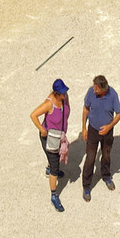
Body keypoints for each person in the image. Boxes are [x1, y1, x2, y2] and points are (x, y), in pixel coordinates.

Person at [79, 73, 120, 198]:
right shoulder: (91, 93)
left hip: (107, 133)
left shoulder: (113, 95)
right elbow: (86, 108)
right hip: (92, 130)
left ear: (103, 89)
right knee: (90, 157)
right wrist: (84, 128)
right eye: (93, 87)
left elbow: (119, 114)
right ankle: (86, 186)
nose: (93, 90)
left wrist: (109, 126)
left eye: (96, 88)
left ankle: (106, 176)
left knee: (106, 154)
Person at [31, 78, 71, 210]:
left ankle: (49, 168)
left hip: (59, 136)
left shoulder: (65, 98)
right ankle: (54, 195)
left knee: (54, 158)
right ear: (55, 93)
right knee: (55, 165)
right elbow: (33, 115)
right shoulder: (49, 104)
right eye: (62, 93)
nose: (64, 95)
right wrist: (42, 130)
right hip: (49, 138)